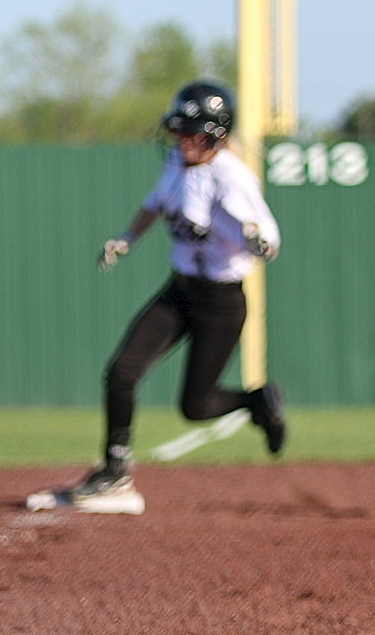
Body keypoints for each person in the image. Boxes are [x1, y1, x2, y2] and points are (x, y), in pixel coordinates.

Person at [27, 80, 285, 516]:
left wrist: (258, 239)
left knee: (196, 406)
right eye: (181, 132)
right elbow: (155, 204)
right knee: (121, 371)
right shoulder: (175, 163)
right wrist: (127, 237)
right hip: (181, 288)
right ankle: (114, 471)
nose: (184, 141)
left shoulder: (232, 178)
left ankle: (256, 400)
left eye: (195, 134)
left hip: (222, 299)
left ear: (218, 135)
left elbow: (269, 238)